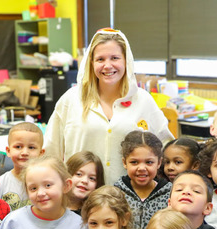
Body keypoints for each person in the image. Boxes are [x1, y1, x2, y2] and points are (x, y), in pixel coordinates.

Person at [44, 28, 174, 186]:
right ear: (91, 63)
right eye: (100, 59)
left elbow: (165, 148)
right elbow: (52, 151)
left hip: (129, 200)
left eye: (114, 58)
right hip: (80, 199)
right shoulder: (71, 99)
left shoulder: (143, 101)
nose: (107, 65)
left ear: (126, 61)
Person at [114, 131, 171, 229]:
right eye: (134, 162)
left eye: (149, 162)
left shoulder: (170, 194)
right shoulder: (115, 194)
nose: (141, 168)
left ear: (159, 163)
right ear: (125, 163)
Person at [0, 122, 45, 211]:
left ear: (41, 153)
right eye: (18, 147)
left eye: (31, 147)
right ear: (8, 151)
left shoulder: (47, 182)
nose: (25, 152)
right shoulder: (0, 184)